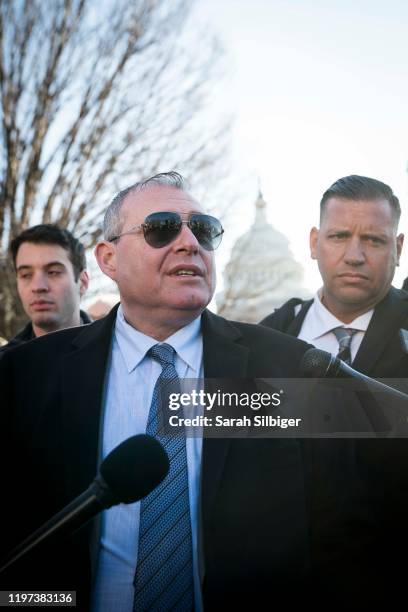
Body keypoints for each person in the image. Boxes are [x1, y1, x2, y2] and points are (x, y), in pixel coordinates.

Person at [1, 172, 366, 610]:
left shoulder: (289, 367)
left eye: (204, 229)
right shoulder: (25, 375)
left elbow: (342, 532)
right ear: (108, 258)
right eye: (161, 228)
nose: (189, 242)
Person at [261, 174, 408, 603]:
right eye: (339, 236)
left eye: (374, 241)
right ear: (313, 243)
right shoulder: (267, 340)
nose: (355, 255)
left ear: (398, 248)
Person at [2, 224, 91, 350]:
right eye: (26, 275)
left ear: (83, 282)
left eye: (53, 272)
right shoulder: (6, 364)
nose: (38, 287)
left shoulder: (115, 352)